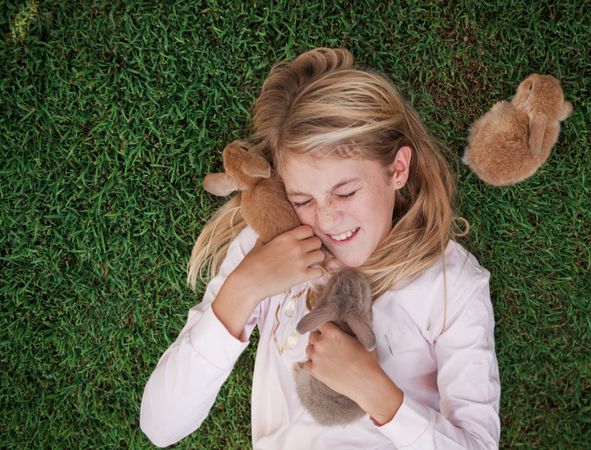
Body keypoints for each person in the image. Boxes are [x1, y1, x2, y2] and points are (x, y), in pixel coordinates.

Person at [140, 47, 500, 449]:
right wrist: (244, 289)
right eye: (303, 200)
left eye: (345, 191)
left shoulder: (452, 284)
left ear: (397, 170)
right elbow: (161, 424)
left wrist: (378, 394)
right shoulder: (270, 250)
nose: (327, 220)